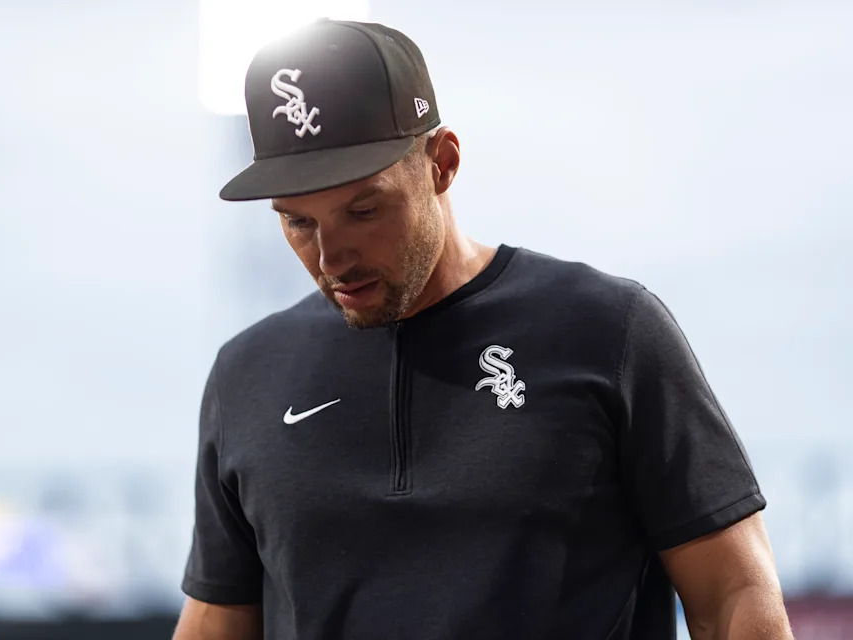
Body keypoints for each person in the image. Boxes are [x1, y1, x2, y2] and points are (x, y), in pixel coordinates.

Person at [173, 18, 793, 640]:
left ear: (442, 162)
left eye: (363, 210)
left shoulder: (608, 331)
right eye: (298, 223)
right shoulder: (247, 374)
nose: (331, 258)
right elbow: (215, 623)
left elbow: (733, 597)